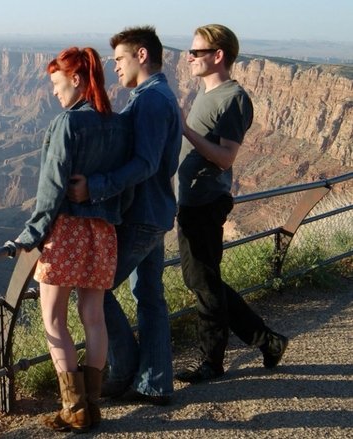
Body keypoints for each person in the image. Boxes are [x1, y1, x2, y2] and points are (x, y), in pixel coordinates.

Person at [12, 46, 132, 433]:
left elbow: (51, 187)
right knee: (93, 318)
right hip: (103, 231)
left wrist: (32, 233)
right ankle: (93, 405)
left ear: (76, 79)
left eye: (56, 82)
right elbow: (125, 183)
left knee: (53, 317)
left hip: (65, 231)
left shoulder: (68, 124)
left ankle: (74, 408)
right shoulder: (117, 124)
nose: (53, 91)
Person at [67, 26, 181, 405]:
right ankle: (156, 383)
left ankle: (124, 368)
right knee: (150, 298)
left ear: (142, 55)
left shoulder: (149, 100)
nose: (114, 67)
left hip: (141, 216)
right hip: (158, 211)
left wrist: (95, 187)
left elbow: (146, 163)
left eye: (119, 58)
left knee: (91, 290)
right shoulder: (161, 95)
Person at [174, 24, 288, 383]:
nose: (189, 57)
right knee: (204, 280)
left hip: (206, 202)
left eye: (196, 52)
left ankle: (212, 361)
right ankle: (267, 341)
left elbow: (225, 157)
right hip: (193, 201)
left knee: (203, 283)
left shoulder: (233, 98)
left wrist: (185, 129)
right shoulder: (208, 95)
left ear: (217, 55)